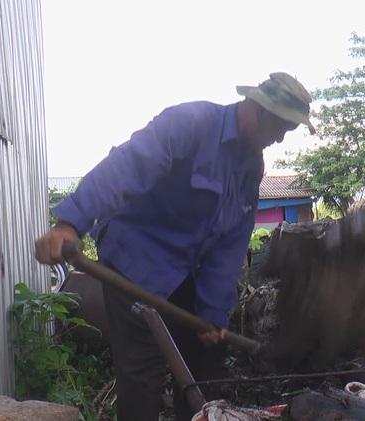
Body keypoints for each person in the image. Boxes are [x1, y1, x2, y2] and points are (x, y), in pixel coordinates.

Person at [34, 72, 316, 421]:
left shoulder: (250, 166)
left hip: (180, 269)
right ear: (262, 112)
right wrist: (70, 223)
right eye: (282, 129)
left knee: (206, 365)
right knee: (143, 370)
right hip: (133, 258)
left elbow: (228, 245)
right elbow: (126, 167)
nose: (280, 139)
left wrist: (211, 314)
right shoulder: (191, 125)